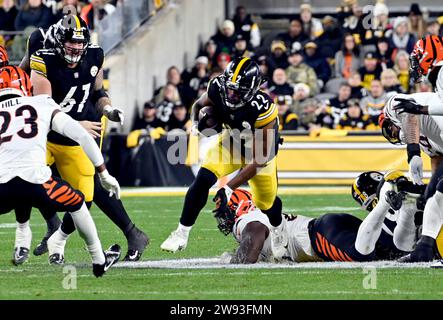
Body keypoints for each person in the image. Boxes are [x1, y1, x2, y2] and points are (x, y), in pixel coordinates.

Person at [25, 16, 148, 262]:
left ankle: (63, 234)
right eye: (71, 45)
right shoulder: (40, 46)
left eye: (80, 44)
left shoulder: (94, 55)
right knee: (30, 178)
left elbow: (98, 92)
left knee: (88, 191)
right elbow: (35, 93)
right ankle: (53, 227)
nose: (76, 50)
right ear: (58, 40)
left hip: (83, 128)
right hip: (49, 126)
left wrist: (108, 110)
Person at [161, 57, 287, 260]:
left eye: (238, 91)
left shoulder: (264, 108)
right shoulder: (218, 86)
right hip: (232, 144)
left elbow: (261, 157)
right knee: (203, 179)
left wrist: (229, 188)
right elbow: (197, 106)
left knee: (266, 203)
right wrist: (196, 125)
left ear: (252, 89)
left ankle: (279, 228)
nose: (231, 93)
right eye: (230, 88)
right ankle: (181, 233)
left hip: (259, 155)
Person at [0, 66, 121, 276]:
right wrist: (103, 173)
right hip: (37, 183)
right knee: (77, 202)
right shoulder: (41, 103)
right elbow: (82, 136)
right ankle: (99, 260)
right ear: (26, 86)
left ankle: (25, 240)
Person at [219, 171, 424, 264]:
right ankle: (407, 209)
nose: (223, 218)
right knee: (396, 253)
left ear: (238, 206)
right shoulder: (260, 213)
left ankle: (384, 203)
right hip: (329, 228)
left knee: (361, 258)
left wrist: (234, 261)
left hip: (319, 236)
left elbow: (253, 241)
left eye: (225, 211)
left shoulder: (248, 219)